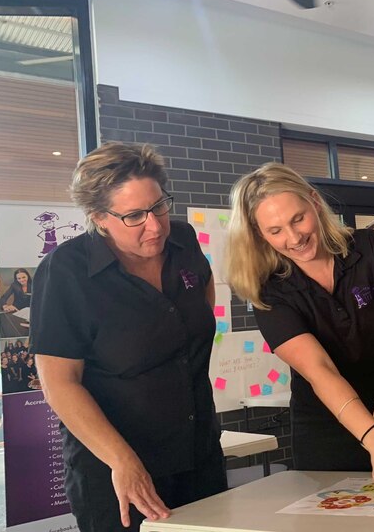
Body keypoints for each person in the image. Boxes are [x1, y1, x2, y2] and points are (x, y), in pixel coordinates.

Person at [30, 142, 226, 532]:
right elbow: (59, 384)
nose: (154, 225)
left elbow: (199, 319)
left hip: (197, 451)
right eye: (134, 216)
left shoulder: (184, 243)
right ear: (99, 217)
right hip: (116, 469)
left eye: (159, 207)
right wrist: (123, 460)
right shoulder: (66, 272)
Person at [226, 163, 374, 500]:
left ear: (315, 203)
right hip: (326, 428)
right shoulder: (269, 291)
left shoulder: (371, 247)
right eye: (275, 231)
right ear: (260, 235)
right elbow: (320, 371)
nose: (293, 238)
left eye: (298, 219)